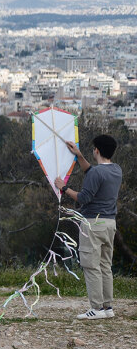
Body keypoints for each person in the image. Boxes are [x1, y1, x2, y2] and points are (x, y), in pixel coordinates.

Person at [55, 135, 123, 320]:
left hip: (93, 223)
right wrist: (79, 156)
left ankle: (96, 308)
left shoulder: (96, 173)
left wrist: (63, 188)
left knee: (90, 266)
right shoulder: (116, 170)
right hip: (110, 224)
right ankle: (107, 307)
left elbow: (84, 197)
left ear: (97, 151)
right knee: (104, 266)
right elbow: (93, 172)